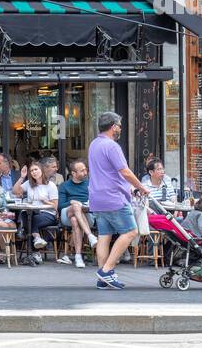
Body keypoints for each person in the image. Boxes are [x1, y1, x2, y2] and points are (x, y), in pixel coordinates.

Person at [88, 111, 149, 289]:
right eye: (120, 126)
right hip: (113, 197)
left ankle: (102, 278)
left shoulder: (94, 144)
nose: (120, 129)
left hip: (97, 197)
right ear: (113, 126)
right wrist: (140, 187)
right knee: (131, 231)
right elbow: (125, 171)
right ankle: (106, 271)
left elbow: (107, 172)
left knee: (104, 236)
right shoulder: (112, 146)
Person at [56, 159, 98, 268]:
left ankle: (78, 256)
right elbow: (60, 206)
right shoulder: (64, 186)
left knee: (75, 219)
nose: (85, 172)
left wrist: (86, 207)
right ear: (73, 173)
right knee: (75, 206)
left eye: (86, 170)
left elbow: (97, 202)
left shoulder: (91, 184)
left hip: (86, 214)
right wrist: (71, 202)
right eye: (82, 171)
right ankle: (90, 235)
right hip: (67, 213)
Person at [23, 160, 59, 257]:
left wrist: (45, 201)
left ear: (42, 170)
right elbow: (15, 191)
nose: (34, 172)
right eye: (31, 171)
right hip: (34, 212)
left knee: (32, 220)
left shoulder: (51, 185)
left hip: (49, 214)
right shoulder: (29, 184)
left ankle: (35, 250)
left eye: (36, 169)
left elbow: (55, 206)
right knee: (24, 214)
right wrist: (22, 177)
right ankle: (37, 240)